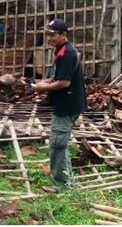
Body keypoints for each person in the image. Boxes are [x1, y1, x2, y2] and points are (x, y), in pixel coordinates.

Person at [32, 19, 86, 188]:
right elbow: (60, 76)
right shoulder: (63, 50)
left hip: (67, 104)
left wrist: (44, 87)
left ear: (64, 34)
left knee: (57, 144)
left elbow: (64, 83)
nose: (50, 38)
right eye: (48, 34)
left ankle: (62, 185)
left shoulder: (66, 54)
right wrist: (46, 81)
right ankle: (66, 180)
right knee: (60, 144)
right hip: (70, 102)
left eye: (53, 35)